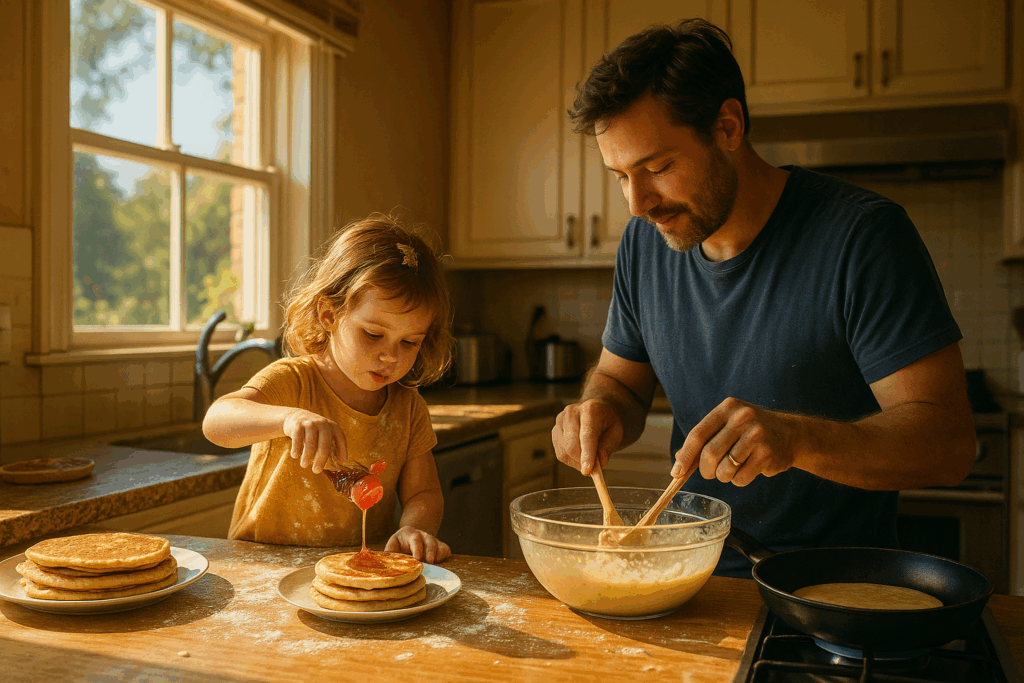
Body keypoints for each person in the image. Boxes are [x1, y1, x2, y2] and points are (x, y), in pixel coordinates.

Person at [551, 19, 976, 576]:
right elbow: (622, 384)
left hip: (834, 586)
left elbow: (948, 445)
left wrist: (796, 439)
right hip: (693, 574)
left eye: (658, 168)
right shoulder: (644, 244)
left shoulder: (863, 237)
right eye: (619, 177)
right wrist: (599, 410)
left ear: (727, 126)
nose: (638, 203)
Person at [203, 214, 454, 563]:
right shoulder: (294, 381)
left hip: (355, 571)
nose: (390, 356)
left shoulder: (407, 408)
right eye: (374, 334)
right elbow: (217, 422)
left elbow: (424, 492)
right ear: (328, 315)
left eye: (410, 342)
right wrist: (288, 419)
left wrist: (414, 527)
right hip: (263, 569)